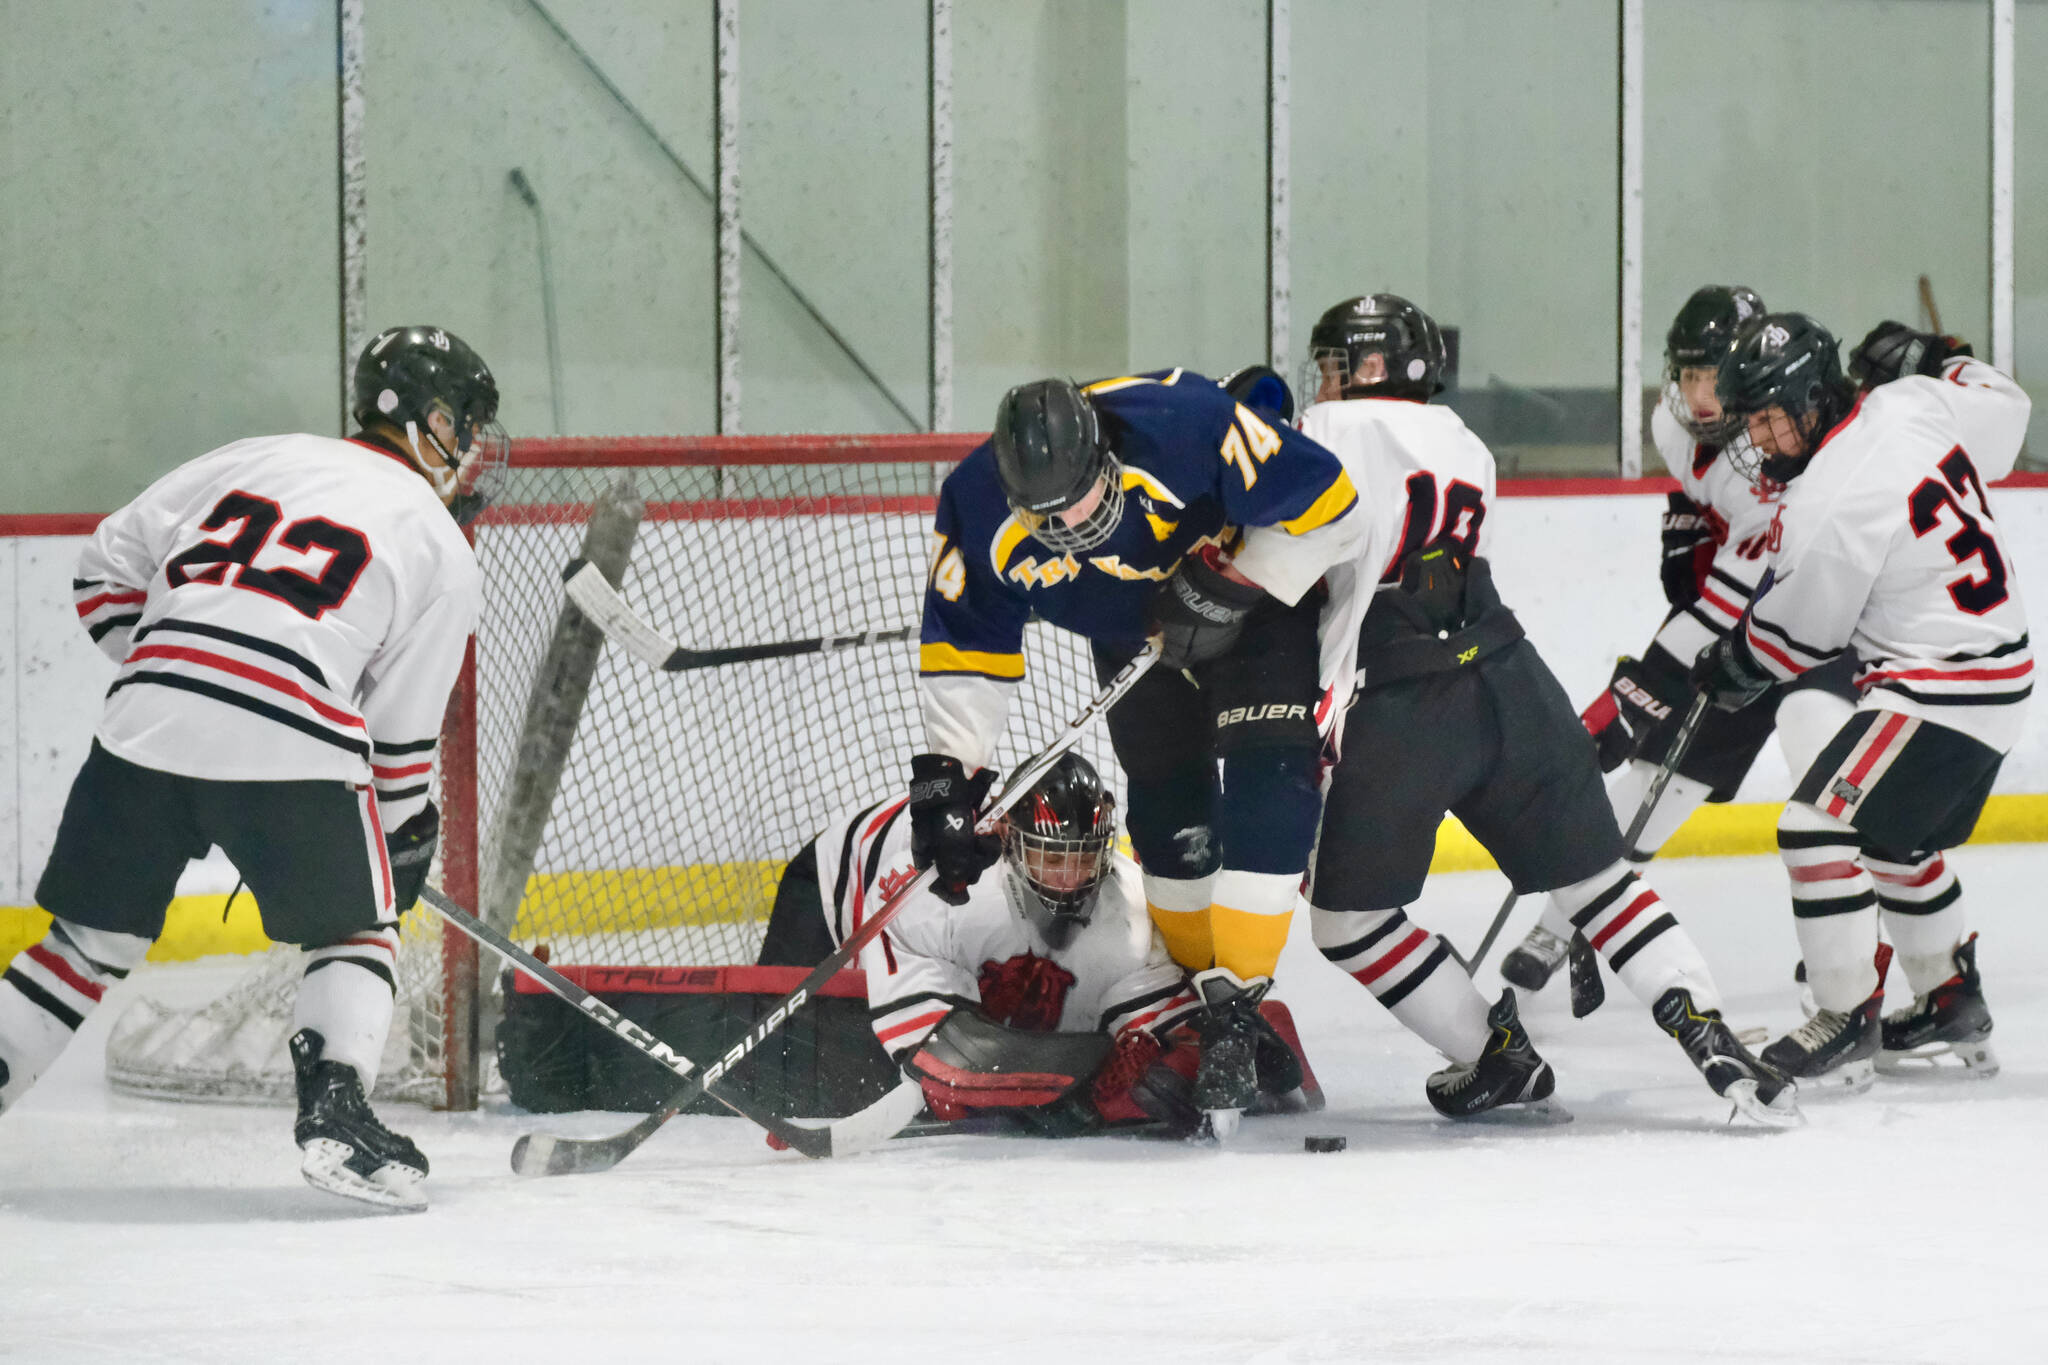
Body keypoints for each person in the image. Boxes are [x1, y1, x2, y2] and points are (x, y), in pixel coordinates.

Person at [0, 325, 505, 1209]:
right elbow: (396, 738)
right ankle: (338, 1120)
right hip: (294, 738)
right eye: (463, 423)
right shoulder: (439, 541)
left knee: (85, 944)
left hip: (143, 723)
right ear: (427, 423)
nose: (470, 446)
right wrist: (402, 836)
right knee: (359, 928)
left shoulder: (258, 454)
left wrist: (184, 673)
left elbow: (102, 569)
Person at [1294, 293, 1797, 1126]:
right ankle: (1705, 1026)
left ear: (1373, 367)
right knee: (1601, 882)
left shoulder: (1325, 430)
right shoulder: (1469, 445)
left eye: (1338, 363)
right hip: (1511, 675)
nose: (1325, 379)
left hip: (1400, 694)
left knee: (1347, 921)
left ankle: (1497, 1056)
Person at [913, 366, 1361, 1136]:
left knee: (1271, 782)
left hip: (1247, 606)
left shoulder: (1184, 423)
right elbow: (967, 644)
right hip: (1134, 629)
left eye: (1084, 498)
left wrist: (1235, 584)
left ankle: (1238, 1002)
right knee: (1168, 806)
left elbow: (1337, 512)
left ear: (1105, 454)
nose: (1073, 523)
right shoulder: (976, 500)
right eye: (1046, 516)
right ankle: (1202, 1004)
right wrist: (951, 774)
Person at [1691, 312, 2028, 1090]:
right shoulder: (1912, 400)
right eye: (1751, 422)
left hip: (1942, 684)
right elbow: (2006, 409)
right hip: (1992, 675)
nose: (1761, 440)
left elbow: (1798, 640)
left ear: (1814, 400)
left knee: (1814, 830)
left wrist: (1732, 662)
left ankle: (1845, 1015)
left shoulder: (1831, 497)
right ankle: (1950, 998)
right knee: (1893, 839)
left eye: (1771, 418)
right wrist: (1942, 360)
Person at [1501, 285, 1856, 991]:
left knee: (1830, 782)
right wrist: (1687, 521)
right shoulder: (1672, 425)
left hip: (1823, 625)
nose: (1698, 396)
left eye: (1712, 376)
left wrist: (1636, 689)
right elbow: (1705, 516)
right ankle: (1562, 921)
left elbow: (1725, 601)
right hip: (1744, 632)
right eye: (1687, 373)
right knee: (1660, 777)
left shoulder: (1775, 446)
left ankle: (1856, 961)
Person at [761, 753, 1318, 1137]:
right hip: (835, 887)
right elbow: (948, 1057)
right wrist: (1088, 1085)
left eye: (1083, 858)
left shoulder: (1129, 912)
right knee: (788, 1054)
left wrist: (1201, 1053)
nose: (1069, 879)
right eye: (1052, 857)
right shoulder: (937, 889)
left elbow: (1167, 1037)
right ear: (1008, 843)